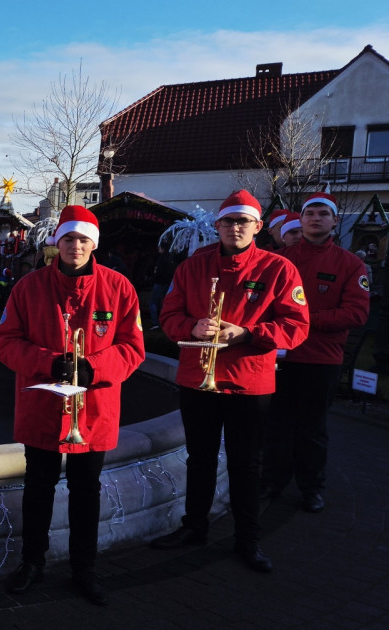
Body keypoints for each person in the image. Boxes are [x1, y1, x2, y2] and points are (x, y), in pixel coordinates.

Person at [0, 205, 145, 606]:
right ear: (57, 242)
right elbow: (5, 342)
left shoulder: (119, 287)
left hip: (93, 410)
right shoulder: (28, 287)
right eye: (68, 238)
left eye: (82, 239)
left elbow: (133, 347)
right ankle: (32, 562)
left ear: (93, 245)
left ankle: (84, 568)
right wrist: (47, 362)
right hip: (42, 405)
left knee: (86, 491)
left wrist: (94, 367)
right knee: (38, 488)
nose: (75, 246)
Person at [151, 190, 309, 573]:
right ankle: (195, 526)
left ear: (258, 227)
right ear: (217, 226)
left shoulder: (279, 268)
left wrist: (249, 333)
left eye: (243, 222)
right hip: (197, 379)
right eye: (227, 221)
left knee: (246, 464)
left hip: (248, 383)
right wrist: (192, 326)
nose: (234, 228)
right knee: (199, 459)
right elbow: (168, 317)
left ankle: (247, 539)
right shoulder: (192, 266)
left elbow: (296, 326)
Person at [263, 192, 370, 513]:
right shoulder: (278, 260)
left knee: (312, 427)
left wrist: (304, 320)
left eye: (323, 214)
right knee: (277, 424)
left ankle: (311, 488)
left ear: (335, 221)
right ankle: (272, 481)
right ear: (301, 218)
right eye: (310, 213)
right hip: (279, 357)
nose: (315, 218)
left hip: (321, 360)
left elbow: (356, 313)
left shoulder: (351, 264)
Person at [149, 245, 176, 328]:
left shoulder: (161, 259)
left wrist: (155, 276)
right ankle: (164, 321)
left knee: (154, 302)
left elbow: (159, 271)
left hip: (160, 282)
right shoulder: (171, 258)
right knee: (164, 302)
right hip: (167, 283)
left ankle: (155, 322)